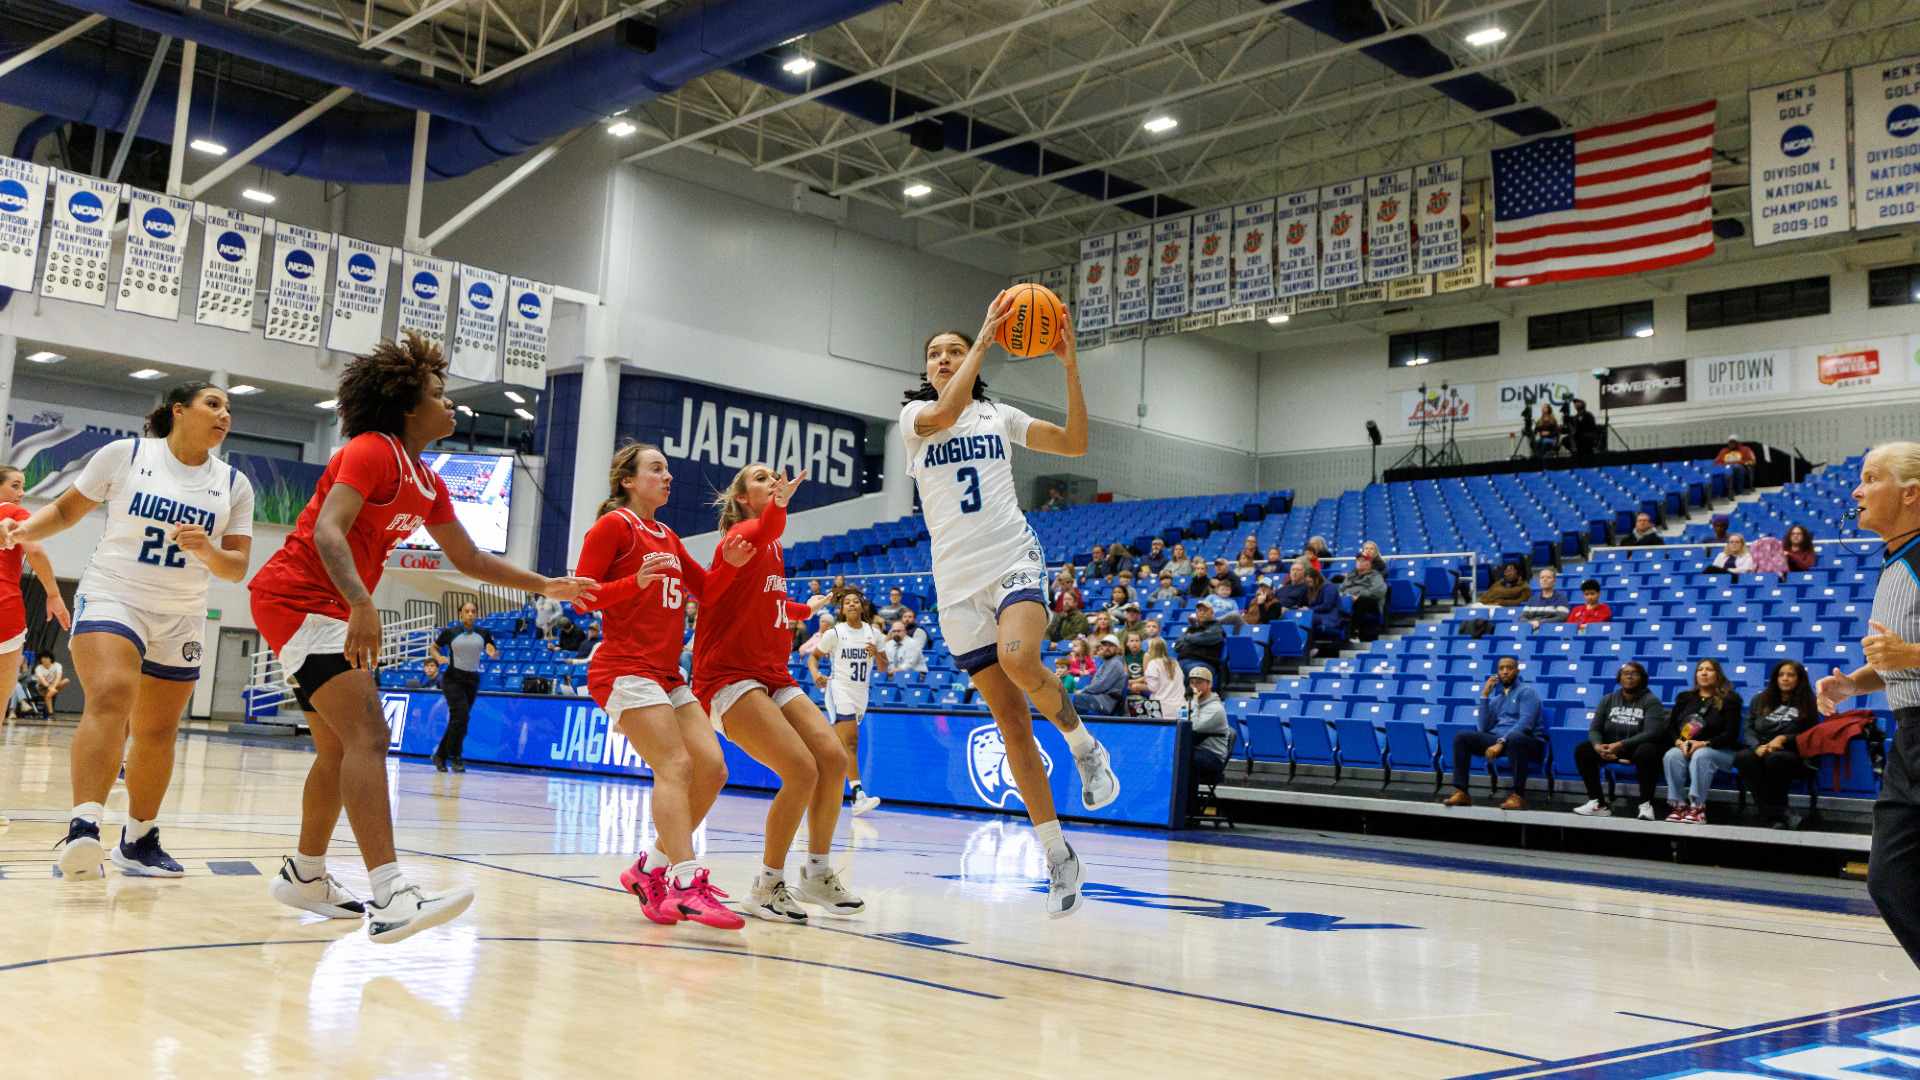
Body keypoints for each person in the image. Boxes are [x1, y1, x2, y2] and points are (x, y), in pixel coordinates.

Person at [245, 334, 593, 941]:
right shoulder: (370, 450)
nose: (451, 404)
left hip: (325, 605)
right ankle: (390, 894)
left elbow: (470, 559)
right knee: (370, 737)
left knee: (338, 749)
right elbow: (330, 530)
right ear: (407, 406)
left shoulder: (427, 479)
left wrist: (545, 584)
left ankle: (304, 873)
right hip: (300, 599)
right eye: (438, 394)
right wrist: (361, 602)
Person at [902, 301, 1124, 919]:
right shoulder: (915, 416)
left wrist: (1070, 365)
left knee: (1021, 658)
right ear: (926, 368)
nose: (945, 359)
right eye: (935, 354)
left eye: (954, 350)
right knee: (1012, 726)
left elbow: (1075, 444)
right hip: (955, 587)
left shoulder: (998, 414)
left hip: (1011, 561)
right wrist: (981, 339)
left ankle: (1084, 747)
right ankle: (1058, 854)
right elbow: (947, 408)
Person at [3, 382, 252, 880]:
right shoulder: (126, 454)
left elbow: (236, 568)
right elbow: (68, 510)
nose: (224, 414)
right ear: (179, 411)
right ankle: (84, 827)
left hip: (181, 612)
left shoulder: (234, 484)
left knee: (158, 730)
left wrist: (207, 551)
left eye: (229, 408)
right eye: (213, 404)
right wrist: (27, 530)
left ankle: (138, 840)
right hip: (114, 592)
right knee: (113, 693)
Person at [570, 440, 752, 929]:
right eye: (657, 469)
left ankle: (648, 869)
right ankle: (686, 883)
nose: (668, 476)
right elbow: (581, 600)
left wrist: (730, 567)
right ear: (628, 481)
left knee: (712, 769)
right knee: (674, 764)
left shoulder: (667, 534)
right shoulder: (614, 526)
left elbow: (707, 590)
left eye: (668, 469)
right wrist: (634, 584)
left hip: (667, 673)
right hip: (624, 667)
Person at [695, 464, 862, 923]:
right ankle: (766, 886)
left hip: (771, 674)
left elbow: (763, 601)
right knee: (801, 769)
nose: (773, 482)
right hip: (728, 677)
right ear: (743, 498)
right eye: (761, 479)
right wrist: (783, 502)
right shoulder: (743, 535)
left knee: (832, 759)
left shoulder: (771, 544)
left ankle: (817, 873)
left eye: (775, 477)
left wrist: (802, 607)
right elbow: (769, 522)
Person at [1817, 443, 1920, 968]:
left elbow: (1909, 655)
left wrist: (1910, 653)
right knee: (1890, 879)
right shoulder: (1896, 560)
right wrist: (1854, 685)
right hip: (1910, 736)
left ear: (1910, 493)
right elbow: (1900, 663)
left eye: (1869, 478)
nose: (1856, 491)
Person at [0, 463, 69, 735]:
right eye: (15, 485)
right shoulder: (14, 513)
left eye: (23, 487)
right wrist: (53, 593)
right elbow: (35, 551)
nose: (21, 493)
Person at [809, 588, 888, 816]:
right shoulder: (834, 633)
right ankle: (858, 796)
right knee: (851, 741)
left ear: (862, 607)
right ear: (842, 609)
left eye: (856, 602)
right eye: (847, 603)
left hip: (861, 694)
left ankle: (811, 777)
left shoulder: (874, 633)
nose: (852, 605)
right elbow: (814, 657)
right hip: (839, 690)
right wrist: (815, 674)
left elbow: (884, 668)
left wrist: (877, 654)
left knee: (837, 748)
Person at [1444, 656, 1544, 810]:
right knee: (1462, 737)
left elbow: (1526, 724)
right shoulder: (1497, 698)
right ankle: (1462, 792)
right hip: (1502, 741)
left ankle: (1518, 796)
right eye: (1501, 668)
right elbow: (1483, 726)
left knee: (1516, 738)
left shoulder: (1527, 693)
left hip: (1529, 743)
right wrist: (1484, 696)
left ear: (1517, 671)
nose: (1505, 672)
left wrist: (1501, 742)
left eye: (1509, 668)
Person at [1571, 662, 1667, 819]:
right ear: (1619, 678)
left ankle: (1646, 804)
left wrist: (1621, 745)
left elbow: (1652, 732)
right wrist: (1598, 747)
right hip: (1611, 748)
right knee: (1583, 749)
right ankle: (1598, 803)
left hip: (1636, 749)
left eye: (1634, 673)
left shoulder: (1651, 701)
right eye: (1625, 673)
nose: (1629, 676)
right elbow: (1595, 729)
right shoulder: (1608, 699)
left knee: (1648, 751)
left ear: (1642, 678)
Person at [1735, 659, 1820, 828]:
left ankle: (1775, 815)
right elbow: (1749, 729)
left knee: (1776, 759)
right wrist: (1757, 746)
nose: (1785, 678)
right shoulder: (1760, 699)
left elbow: (1810, 735)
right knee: (1743, 757)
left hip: (1792, 752)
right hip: (1761, 748)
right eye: (1781, 675)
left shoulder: (1808, 702)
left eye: (1790, 675)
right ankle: (1779, 814)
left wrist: (1784, 738)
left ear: (1799, 679)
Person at [1661, 658, 1745, 824]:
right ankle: (1679, 806)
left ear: (1718, 674)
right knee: (1671, 755)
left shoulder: (1730, 699)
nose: (1704, 673)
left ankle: (1697, 808)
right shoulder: (1685, 698)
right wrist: (1679, 743)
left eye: (1709, 670)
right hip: (1687, 747)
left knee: (1701, 755)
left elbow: (1731, 733)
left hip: (1721, 751)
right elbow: (1670, 726)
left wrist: (1704, 743)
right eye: (1700, 670)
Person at [428, 601, 498, 772]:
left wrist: (492, 652)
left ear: (477, 614)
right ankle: (457, 757)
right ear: (460, 614)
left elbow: (492, 649)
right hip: (453, 678)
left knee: (459, 719)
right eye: (466, 611)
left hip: (472, 680)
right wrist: (438, 658)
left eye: (473, 611)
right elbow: (434, 648)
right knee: (461, 717)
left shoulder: (483, 633)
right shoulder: (451, 632)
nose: (470, 614)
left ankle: (440, 756)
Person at [1186, 665, 1228, 790]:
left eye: (1199, 683)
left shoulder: (1215, 709)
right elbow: (1179, 722)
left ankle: (1189, 804)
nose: (1195, 686)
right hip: (1196, 751)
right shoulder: (1189, 704)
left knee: (1184, 757)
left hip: (1213, 758)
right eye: (1192, 682)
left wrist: (1193, 701)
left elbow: (1195, 728)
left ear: (1210, 684)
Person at [1069, 634, 1128, 717]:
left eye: (1111, 645)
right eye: (1105, 645)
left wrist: (1082, 691)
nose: (1107, 647)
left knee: (1072, 699)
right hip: (1097, 698)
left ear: (1118, 650)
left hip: (1104, 703)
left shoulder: (1115, 664)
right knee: (1070, 699)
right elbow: (1095, 682)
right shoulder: (1107, 662)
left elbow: (1101, 684)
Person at [1174, 600, 1226, 686]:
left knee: (1187, 672)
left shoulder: (1216, 628)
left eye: (1205, 611)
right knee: (1164, 671)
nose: (1202, 613)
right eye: (1200, 611)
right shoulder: (1192, 628)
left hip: (1203, 663)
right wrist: (1193, 639)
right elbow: (1177, 646)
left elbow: (1202, 638)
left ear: (1212, 613)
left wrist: (1186, 638)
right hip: (1183, 661)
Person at [1339, 554, 1387, 641]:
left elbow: (1378, 591)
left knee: (1362, 600)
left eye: (1363, 560)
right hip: (1350, 600)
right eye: (1358, 560)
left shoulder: (1375, 576)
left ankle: (1355, 633)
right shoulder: (1350, 576)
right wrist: (1342, 595)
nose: (1360, 562)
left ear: (1370, 564)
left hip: (1371, 604)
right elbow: (1341, 589)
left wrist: (1358, 596)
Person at [1143, 638, 1186, 719]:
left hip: (1162, 709)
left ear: (1155, 650)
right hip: (1181, 707)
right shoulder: (1175, 662)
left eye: (1149, 648)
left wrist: (1139, 686)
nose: (1148, 651)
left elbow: (1153, 687)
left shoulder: (1153, 663)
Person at [34, 651, 69, 716]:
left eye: (46, 658)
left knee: (66, 680)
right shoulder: (39, 668)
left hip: (54, 686)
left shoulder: (57, 665)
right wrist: (50, 687)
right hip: (42, 687)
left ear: (50, 659)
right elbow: (42, 680)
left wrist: (53, 687)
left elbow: (59, 677)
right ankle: (50, 712)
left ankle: (51, 713)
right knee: (48, 693)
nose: (44, 660)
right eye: (42, 658)